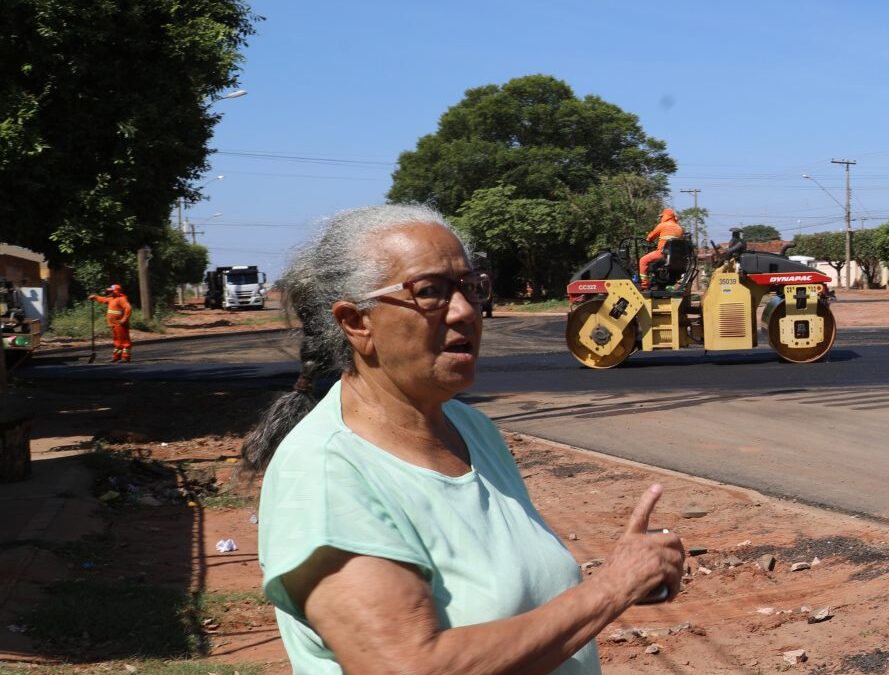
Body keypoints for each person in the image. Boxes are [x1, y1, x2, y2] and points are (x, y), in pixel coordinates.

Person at [243, 204, 685, 674]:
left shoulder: (469, 430)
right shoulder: (326, 473)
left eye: (471, 288)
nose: (465, 311)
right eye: (430, 292)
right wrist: (611, 588)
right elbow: (409, 667)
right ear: (356, 322)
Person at [638, 208, 684, 289]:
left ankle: (644, 285)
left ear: (665, 216)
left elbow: (650, 237)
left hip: (662, 254)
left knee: (643, 261)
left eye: (661, 216)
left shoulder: (662, 226)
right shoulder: (679, 228)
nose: (661, 218)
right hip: (676, 258)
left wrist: (648, 239)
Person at [88, 284, 132, 362]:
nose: (109, 292)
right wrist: (95, 297)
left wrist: (124, 319)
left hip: (120, 324)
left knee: (124, 341)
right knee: (117, 341)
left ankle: (125, 357)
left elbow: (128, 308)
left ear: (116, 291)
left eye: (111, 291)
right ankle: (116, 357)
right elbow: (103, 299)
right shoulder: (111, 299)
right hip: (114, 324)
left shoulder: (121, 299)